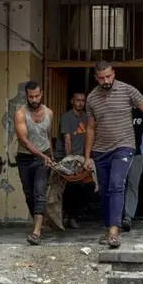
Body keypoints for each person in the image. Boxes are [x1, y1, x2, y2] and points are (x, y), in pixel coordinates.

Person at [84, 61, 143, 248]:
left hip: (124, 146)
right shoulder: (92, 98)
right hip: (100, 150)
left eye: (108, 76)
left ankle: (114, 233)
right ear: (96, 78)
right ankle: (110, 227)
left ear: (114, 73)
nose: (106, 80)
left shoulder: (128, 91)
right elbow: (91, 128)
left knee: (117, 184)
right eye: (101, 78)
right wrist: (87, 156)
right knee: (105, 191)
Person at [14, 81, 55, 245]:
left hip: (43, 158)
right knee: (29, 193)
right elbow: (23, 140)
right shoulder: (20, 113)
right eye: (31, 96)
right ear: (27, 96)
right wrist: (41, 155)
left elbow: (47, 137)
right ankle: (38, 222)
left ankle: (36, 231)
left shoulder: (49, 113)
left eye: (37, 95)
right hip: (25, 158)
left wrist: (50, 158)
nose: (34, 99)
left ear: (41, 94)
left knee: (39, 191)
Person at [55, 92, 88, 229]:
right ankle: (66, 217)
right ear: (72, 101)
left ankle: (72, 216)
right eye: (77, 100)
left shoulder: (86, 118)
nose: (80, 103)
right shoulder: (67, 117)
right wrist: (70, 161)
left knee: (82, 189)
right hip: (66, 159)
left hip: (81, 159)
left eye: (82, 100)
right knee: (67, 188)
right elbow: (67, 141)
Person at [121, 107, 143, 232]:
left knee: (132, 185)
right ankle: (116, 216)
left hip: (137, 154)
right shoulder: (120, 111)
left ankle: (128, 217)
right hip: (120, 153)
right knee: (118, 185)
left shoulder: (142, 112)